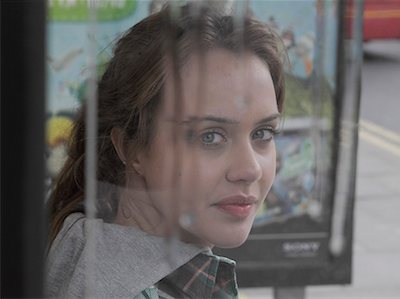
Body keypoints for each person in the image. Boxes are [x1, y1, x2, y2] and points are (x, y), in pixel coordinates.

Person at [46, 3, 285, 298]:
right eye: (210, 137)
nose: (251, 169)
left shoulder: (76, 240)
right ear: (129, 147)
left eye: (262, 133)